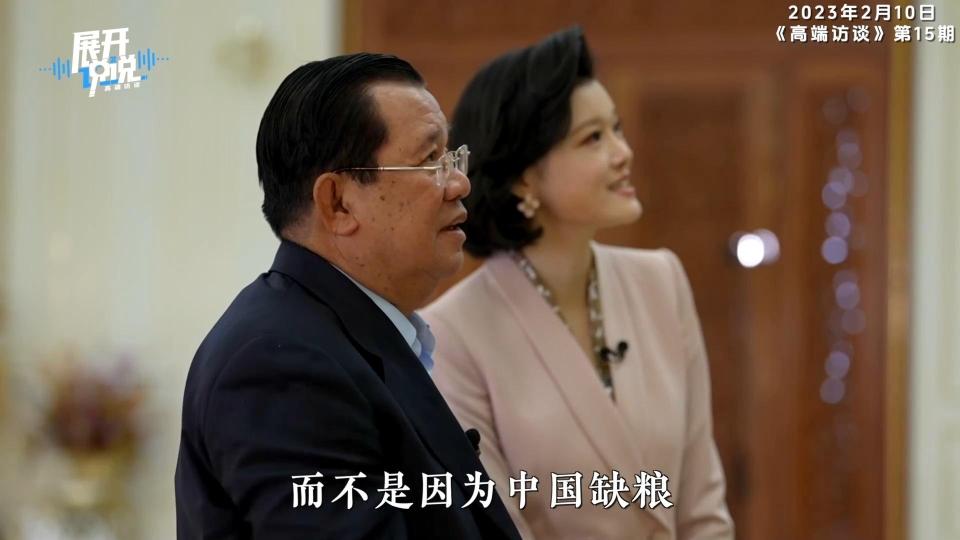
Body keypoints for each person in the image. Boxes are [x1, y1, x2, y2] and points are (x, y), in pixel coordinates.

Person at [175, 53, 521, 540]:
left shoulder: (343, 334)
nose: (460, 183)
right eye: (429, 161)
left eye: (451, 157)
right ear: (337, 202)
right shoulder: (280, 365)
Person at [422, 27, 734, 540]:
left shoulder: (661, 281)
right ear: (524, 177)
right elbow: (498, 526)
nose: (623, 152)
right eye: (593, 138)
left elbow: (703, 505)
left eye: (617, 129)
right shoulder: (452, 334)